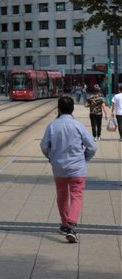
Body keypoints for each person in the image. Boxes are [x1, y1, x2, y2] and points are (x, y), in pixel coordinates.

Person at [40, 95, 96, 243]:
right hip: (77, 168)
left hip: (59, 168)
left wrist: (51, 157)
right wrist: (84, 158)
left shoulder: (52, 126)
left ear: (58, 108)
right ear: (72, 109)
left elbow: (44, 146)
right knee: (76, 195)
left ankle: (65, 225)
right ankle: (71, 224)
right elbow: (92, 146)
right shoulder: (78, 125)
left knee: (62, 195)